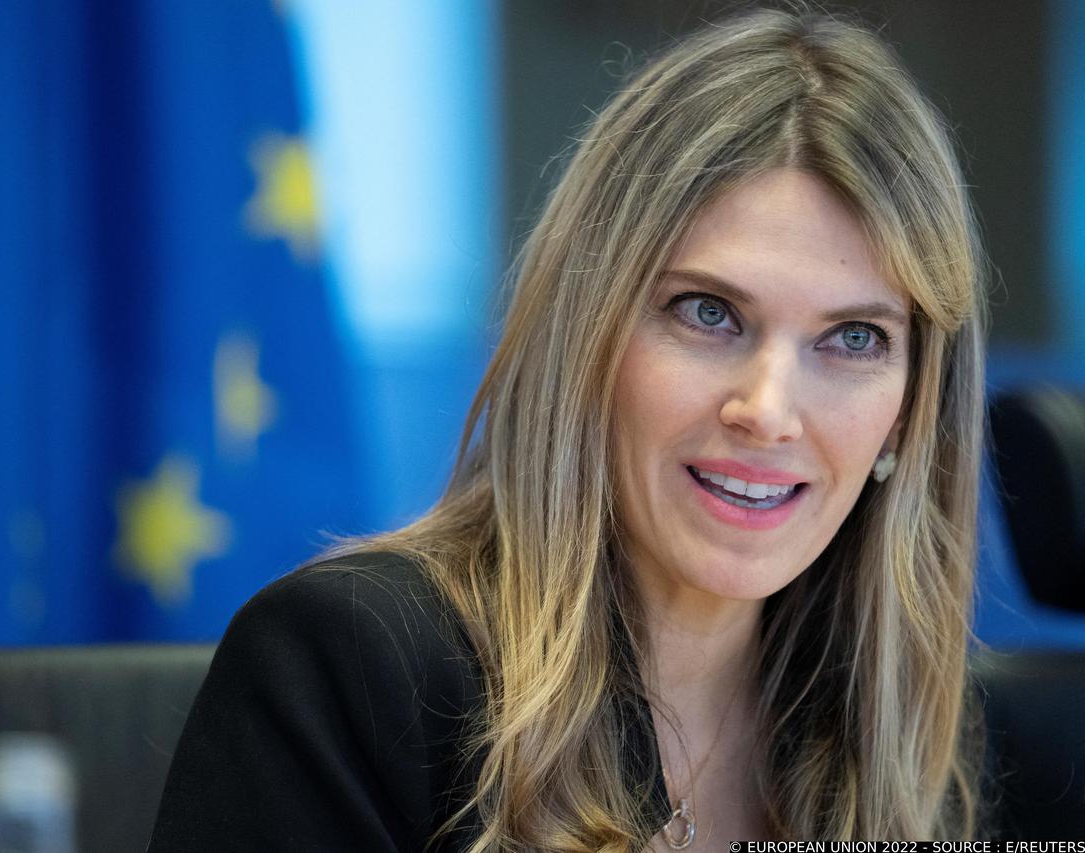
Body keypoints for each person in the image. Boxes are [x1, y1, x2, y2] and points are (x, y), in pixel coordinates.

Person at [148, 5, 990, 850]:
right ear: (588, 335)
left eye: (855, 338)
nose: (768, 411)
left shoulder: (917, 743)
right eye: (708, 312)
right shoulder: (353, 668)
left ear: (909, 410)